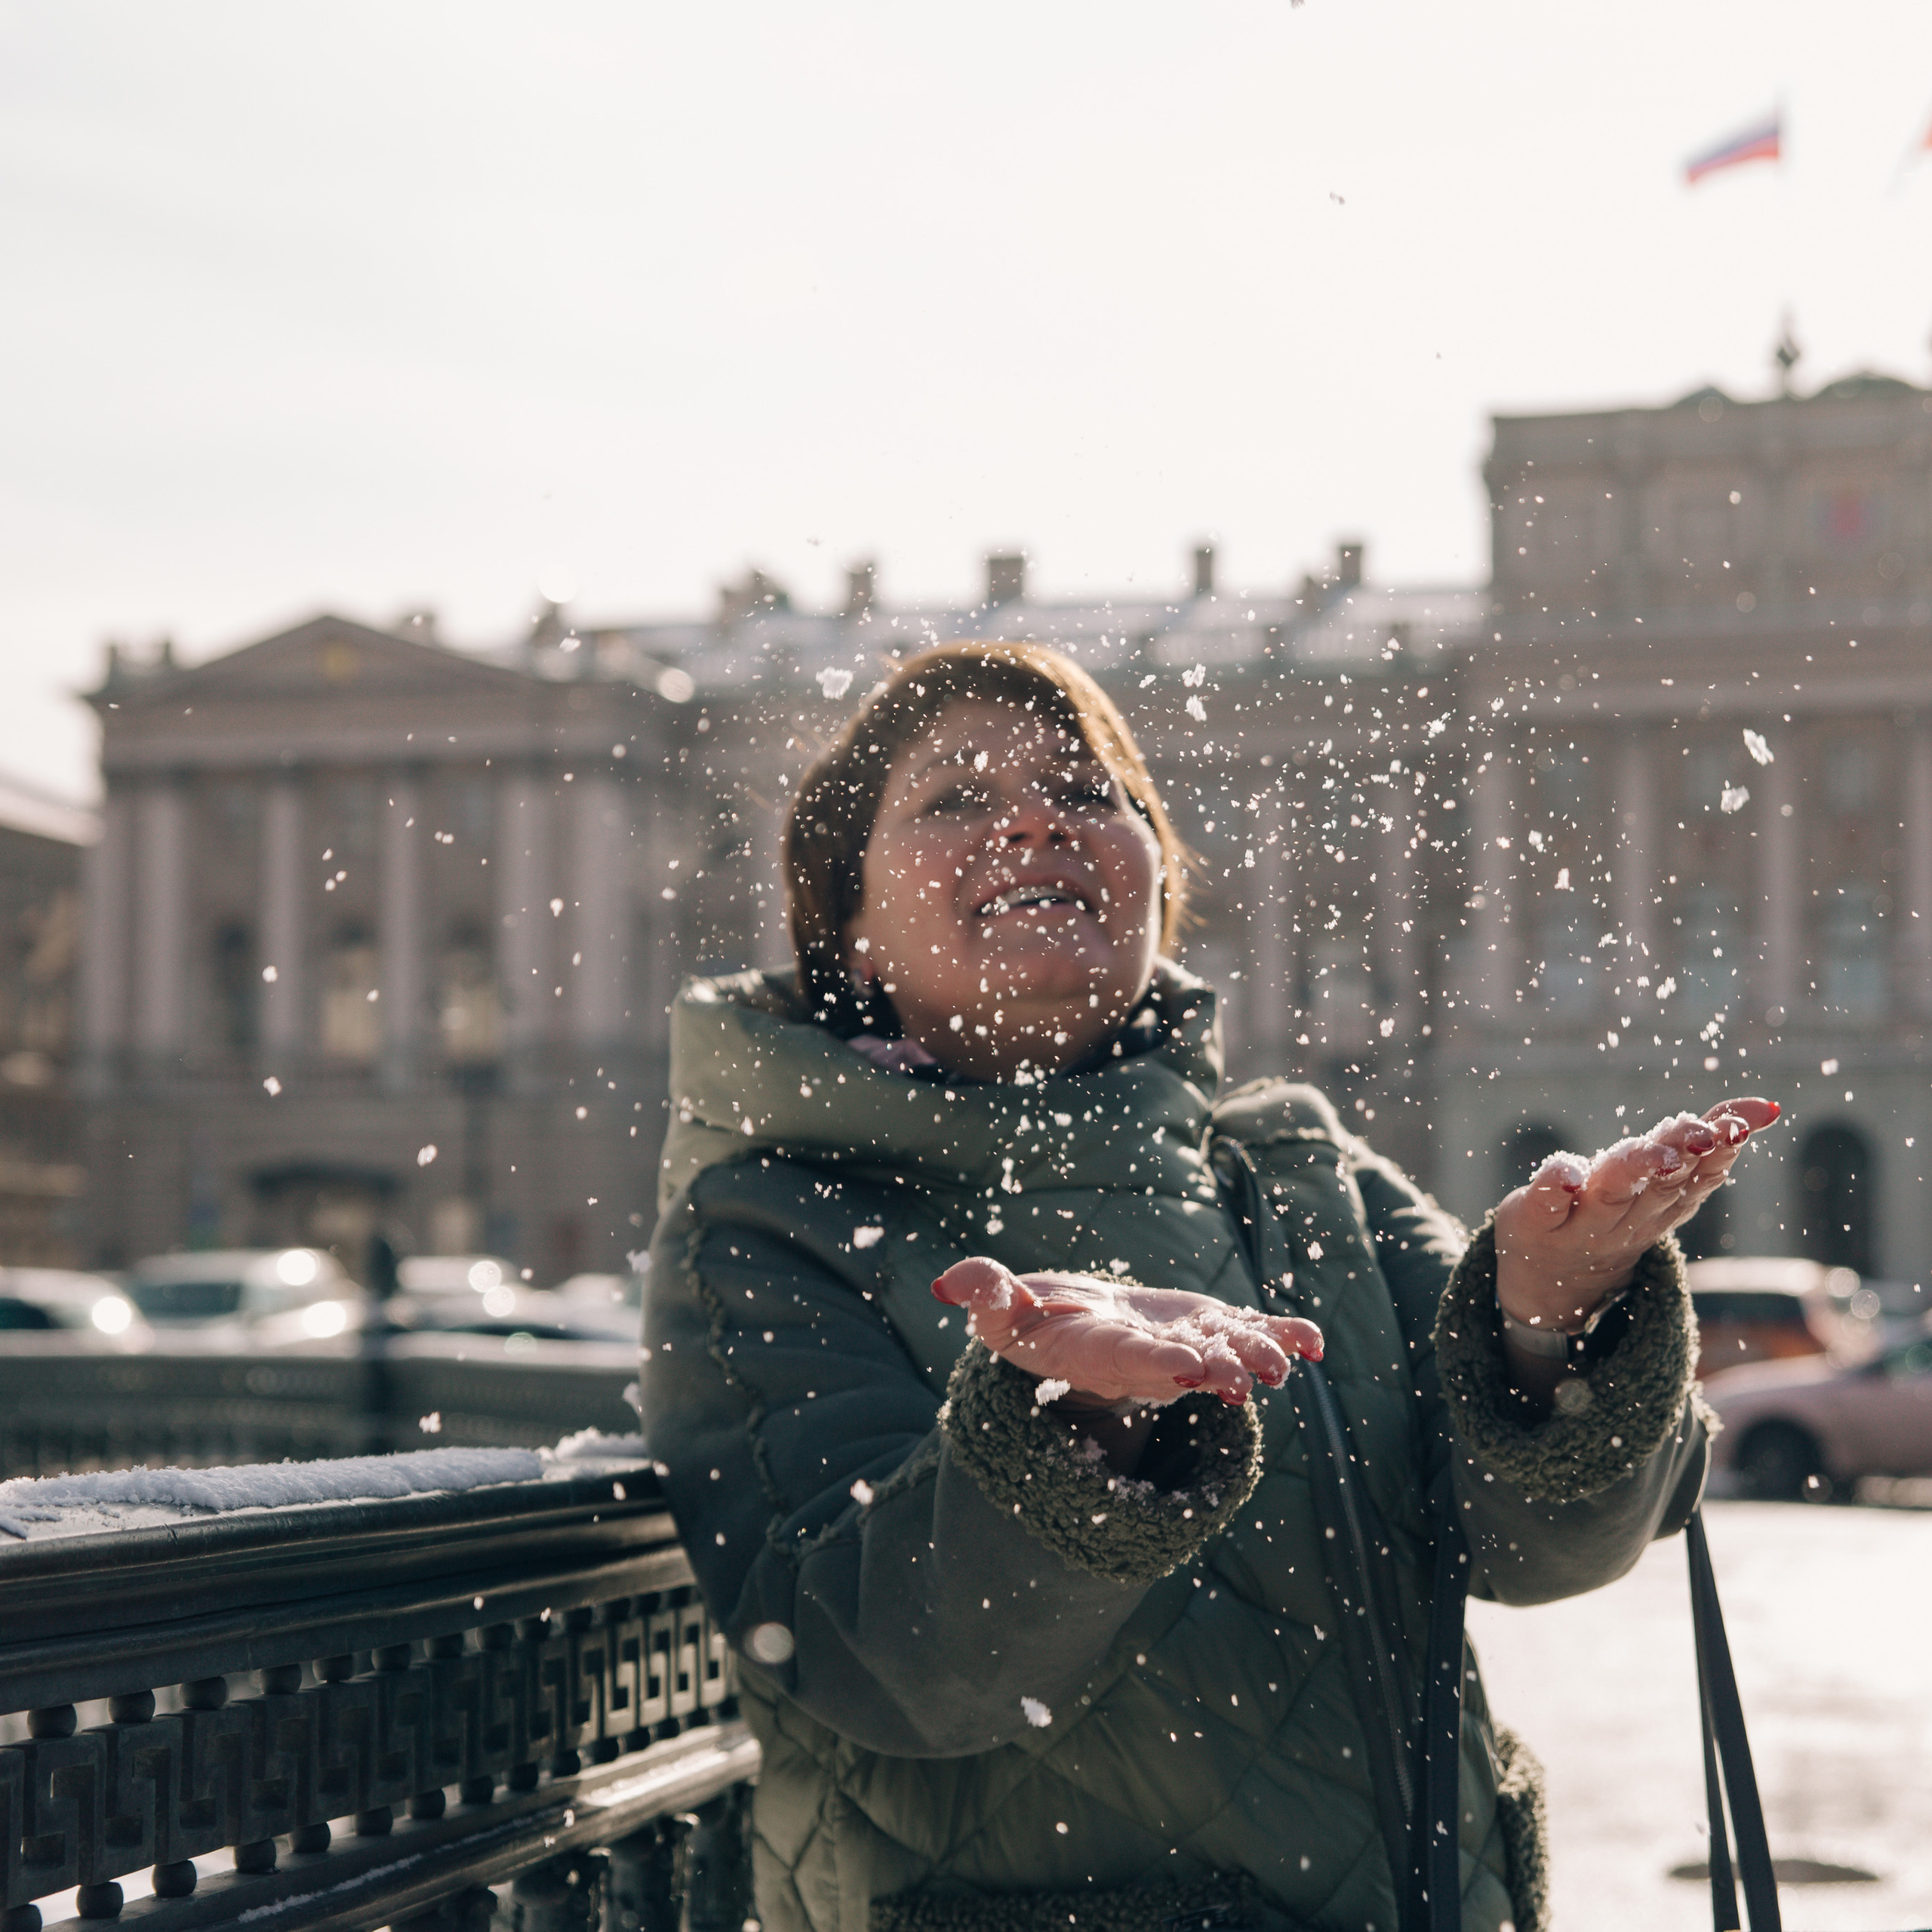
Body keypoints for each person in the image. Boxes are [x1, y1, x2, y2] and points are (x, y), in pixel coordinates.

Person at [642, 640, 1778, 1932]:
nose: (1031, 818)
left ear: (1157, 883)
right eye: (953, 796)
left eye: (1084, 792)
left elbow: (1539, 1553)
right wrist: (1073, 1431)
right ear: (841, 917)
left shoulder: (1301, 1170)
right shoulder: (765, 1222)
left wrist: (1555, 1315)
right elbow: (880, 1665)